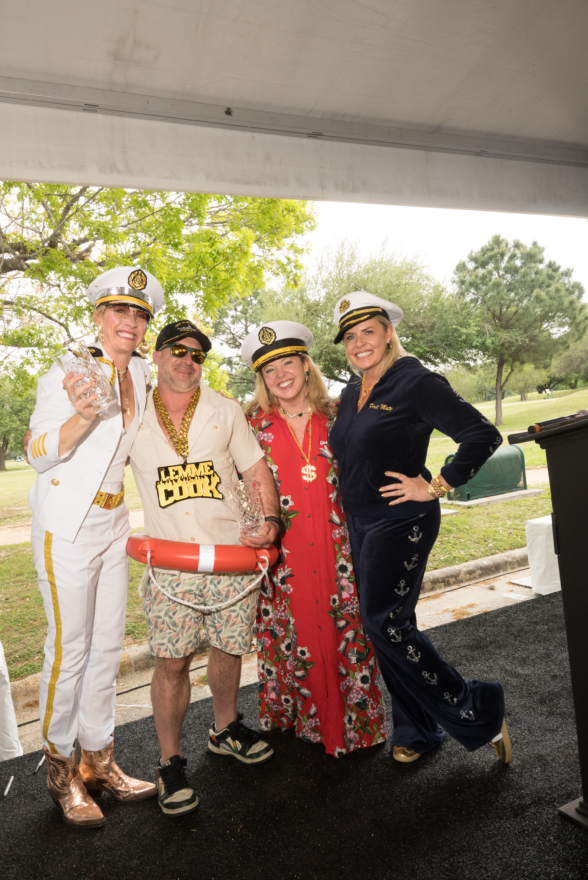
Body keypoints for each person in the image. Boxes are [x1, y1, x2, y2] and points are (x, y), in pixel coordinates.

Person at [328, 291, 513, 765]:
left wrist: (436, 485)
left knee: (383, 624)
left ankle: (475, 703)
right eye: (350, 336)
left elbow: (482, 434)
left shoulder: (416, 382)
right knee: (386, 628)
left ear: (389, 332)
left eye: (368, 330)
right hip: (362, 521)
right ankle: (417, 728)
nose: (358, 342)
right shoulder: (354, 389)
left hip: (401, 520)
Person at [27, 266, 163, 828]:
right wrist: (82, 417)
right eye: (118, 311)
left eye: (138, 314)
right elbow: (37, 451)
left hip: (113, 526)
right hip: (66, 526)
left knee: (108, 647)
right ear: (98, 317)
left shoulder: (145, 378)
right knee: (70, 649)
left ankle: (98, 760)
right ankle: (61, 773)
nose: (128, 322)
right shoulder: (67, 370)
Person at [128, 319, 280, 816]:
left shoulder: (225, 409)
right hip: (171, 563)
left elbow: (256, 471)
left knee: (229, 647)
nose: (187, 360)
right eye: (176, 350)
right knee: (172, 663)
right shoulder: (129, 411)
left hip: (230, 555)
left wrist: (271, 522)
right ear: (156, 354)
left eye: (197, 354)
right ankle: (170, 761)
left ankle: (225, 728)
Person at [240, 321, 386, 757]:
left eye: (289, 362)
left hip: (340, 547)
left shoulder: (343, 413)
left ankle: (353, 726)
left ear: (306, 365)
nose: (281, 375)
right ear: (261, 380)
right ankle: (298, 718)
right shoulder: (251, 423)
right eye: (270, 370)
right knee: (294, 631)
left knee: (345, 630)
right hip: (284, 553)